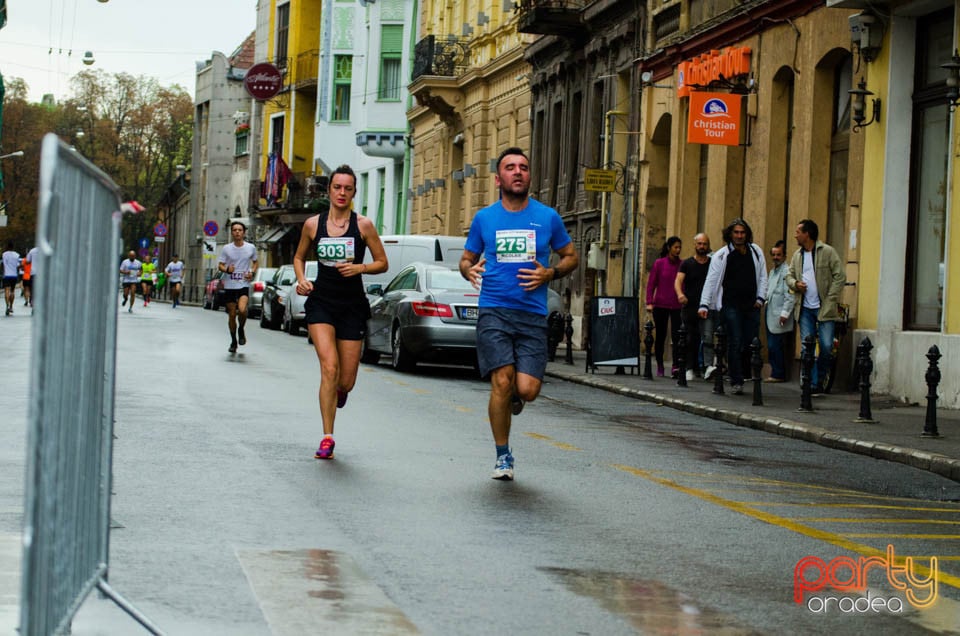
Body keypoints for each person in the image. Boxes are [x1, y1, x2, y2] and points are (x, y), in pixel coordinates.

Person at [460, 147, 579, 481]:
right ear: (499, 178)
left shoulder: (547, 217)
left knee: (526, 390)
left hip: (532, 313)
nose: (518, 172)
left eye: (523, 167)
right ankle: (502, 456)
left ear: (529, 176)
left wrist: (550, 274)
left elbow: (571, 256)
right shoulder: (485, 218)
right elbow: (466, 259)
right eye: (510, 167)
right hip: (494, 309)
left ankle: (514, 395)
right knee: (501, 380)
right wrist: (468, 270)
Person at [293, 165, 388, 460]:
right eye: (337, 187)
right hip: (321, 301)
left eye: (348, 188)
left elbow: (382, 262)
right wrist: (302, 280)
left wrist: (361, 267)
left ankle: (340, 391)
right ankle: (327, 437)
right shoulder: (313, 224)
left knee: (345, 381)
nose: (342, 193)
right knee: (329, 368)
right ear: (330, 190)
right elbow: (298, 257)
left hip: (351, 305)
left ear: (354, 192)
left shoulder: (363, 226)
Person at [698, 218, 768, 395]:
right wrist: (704, 304)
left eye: (742, 232)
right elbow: (712, 280)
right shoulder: (721, 255)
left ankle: (744, 373)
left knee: (749, 340)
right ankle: (736, 380)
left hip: (751, 304)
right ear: (730, 234)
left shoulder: (756, 251)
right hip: (730, 305)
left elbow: (763, 276)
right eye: (736, 232)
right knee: (735, 340)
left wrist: (760, 298)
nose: (739, 236)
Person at [785, 219, 846, 394]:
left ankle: (820, 379)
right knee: (807, 346)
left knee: (826, 346)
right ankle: (811, 383)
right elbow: (788, 276)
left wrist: (831, 299)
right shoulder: (797, 255)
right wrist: (796, 284)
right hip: (804, 308)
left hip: (824, 308)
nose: (795, 235)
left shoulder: (827, 251)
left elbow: (840, 276)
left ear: (807, 234)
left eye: (798, 232)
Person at [675, 232, 714, 381]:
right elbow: (678, 281)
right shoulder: (687, 263)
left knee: (707, 337)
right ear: (695, 245)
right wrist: (680, 295)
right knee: (690, 338)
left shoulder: (712, 263)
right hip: (690, 306)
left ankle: (705, 368)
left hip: (706, 307)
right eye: (699, 244)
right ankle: (689, 368)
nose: (702, 246)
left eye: (705, 244)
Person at [218, 221, 258, 353]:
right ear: (231, 232)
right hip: (230, 285)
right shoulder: (226, 248)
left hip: (243, 284)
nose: (237, 232)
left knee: (242, 310)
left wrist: (252, 272)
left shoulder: (250, 247)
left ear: (244, 232)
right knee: (231, 314)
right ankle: (233, 341)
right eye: (234, 230)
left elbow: (255, 263)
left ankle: (241, 329)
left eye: (240, 230)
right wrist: (227, 269)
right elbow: (220, 265)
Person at [645, 236, 683, 377]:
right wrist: (649, 302)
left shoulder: (682, 265)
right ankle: (660, 364)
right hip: (660, 304)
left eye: (679, 247)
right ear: (669, 248)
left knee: (677, 336)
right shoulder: (659, 264)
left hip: (677, 305)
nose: (678, 250)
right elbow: (651, 284)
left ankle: (675, 365)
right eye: (675, 247)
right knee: (661, 335)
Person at [764, 240, 796, 383]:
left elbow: (790, 295)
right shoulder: (772, 272)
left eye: (779, 255)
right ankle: (775, 371)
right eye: (774, 255)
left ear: (784, 256)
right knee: (772, 345)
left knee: (775, 345)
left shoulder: (787, 272)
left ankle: (779, 373)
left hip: (779, 314)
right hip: (770, 312)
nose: (776, 257)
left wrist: (785, 313)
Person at [2, 242, 19, 316]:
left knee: (6, 291)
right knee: (12, 291)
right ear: (13, 247)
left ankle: (7, 306)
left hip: (6, 275)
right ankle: (11, 306)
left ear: (7, 246)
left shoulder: (4, 254)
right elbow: (18, 265)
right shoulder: (17, 255)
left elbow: (3, 264)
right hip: (14, 275)